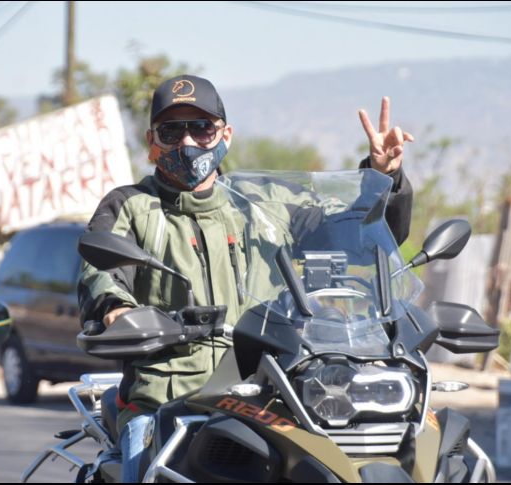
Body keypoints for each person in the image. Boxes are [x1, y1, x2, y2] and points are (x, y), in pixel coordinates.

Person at [77, 74, 414, 481]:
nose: (188, 141)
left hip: (270, 396)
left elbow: (355, 236)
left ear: (226, 134)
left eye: (201, 128)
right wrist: (117, 310)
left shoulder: (266, 204)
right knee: (144, 466)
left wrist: (383, 177)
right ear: (152, 141)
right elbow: (102, 273)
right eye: (172, 131)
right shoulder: (131, 206)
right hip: (167, 399)